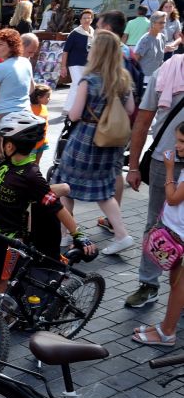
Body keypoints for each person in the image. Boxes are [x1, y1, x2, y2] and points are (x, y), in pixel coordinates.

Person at [0, 112, 94, 311]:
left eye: (3, 141)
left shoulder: (32, 176)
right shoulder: (3, 163)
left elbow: (57, 207)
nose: (1, 145)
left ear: (10, 146)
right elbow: (2, 190)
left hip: (8, 240)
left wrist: (78, 234)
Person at [56, 31, 136, 255]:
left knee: (65, 186)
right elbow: (130, 110)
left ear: (97, 52)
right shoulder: (123, 78)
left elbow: (74, 115)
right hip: (112, 142)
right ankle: (122, 235)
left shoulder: (88, 80)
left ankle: (65, 235)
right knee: (103, 191)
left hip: (86, 140)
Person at [125, 53, 184, 307]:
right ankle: (149, 283)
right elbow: (143, 120)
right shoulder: (168, 70)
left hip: (167, 162)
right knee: (157, 224)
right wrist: (134, 166)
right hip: (165, 161)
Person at [132, 123, 184, 345]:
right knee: (175, 284)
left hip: (181, 235)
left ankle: (168, 332)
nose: (177, 145)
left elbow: (172, 198)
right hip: (177, 233)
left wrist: (170, 169)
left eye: (182, 141)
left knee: (178, 286)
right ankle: (165, 326)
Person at [60, 9, 94, 112]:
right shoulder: (74, 33)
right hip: (74, 63)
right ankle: (68, 109)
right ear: (80, 20)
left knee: (83, 86)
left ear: (92, 20)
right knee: (77, 84)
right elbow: (65, 51)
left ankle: (78, 108)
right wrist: (63, 66)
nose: (87, 20)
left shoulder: (93, 33)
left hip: (88, 64)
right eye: (84, 18)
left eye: (89, 18)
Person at [133, 11, 178, 86]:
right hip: (145, 79)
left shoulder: (162, 37)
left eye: (164, 22)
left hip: (157, 78)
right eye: (161, 23)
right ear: (153, 23)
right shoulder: (145, 40)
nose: (163, 25)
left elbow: (159, 58)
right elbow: (135, 60)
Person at [30, 84, 51, 164]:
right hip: (32, 143)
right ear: (39, 97)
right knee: (30, 164)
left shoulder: (44, 107)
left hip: (42, 141)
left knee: (36, 163)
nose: (49, 99)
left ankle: (35, 175)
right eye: (47, 96)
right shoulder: (29, 108)